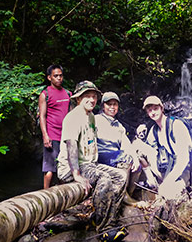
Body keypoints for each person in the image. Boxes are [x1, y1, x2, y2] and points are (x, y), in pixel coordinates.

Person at [57, 81, 128, 231]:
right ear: (78, 99)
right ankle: (105, 227)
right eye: (87, 96)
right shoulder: (72, 118)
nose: (91, 100)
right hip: (72, 167)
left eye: (94, 96)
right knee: (104, 178)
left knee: (120, 176)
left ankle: (108, 213)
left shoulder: (91, 117)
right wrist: (76, 175)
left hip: (90, 165)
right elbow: (71, 147)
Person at [143, 95, 192, 200]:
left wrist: (169, 180)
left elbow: (184, 159)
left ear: (162, 108)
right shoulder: (153, 131)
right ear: (147, 113)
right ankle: (152, 183)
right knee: (138, 146)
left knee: (167, 193)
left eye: (155, 108)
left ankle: (181, 187)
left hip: (181, 172)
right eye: (150, 110)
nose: (153, 112)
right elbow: (146, 152)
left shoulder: (177, 125)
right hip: (165, 170)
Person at [95, 91, 140, 196]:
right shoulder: (96, 120)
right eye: (109, 104)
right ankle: (123, 196)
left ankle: (127, 194)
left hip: (116, 155)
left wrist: (136, 159)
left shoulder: (119, 126)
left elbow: (127, 145)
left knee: (136, 164)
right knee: (124, 158)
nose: (112, 107)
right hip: (101, 154)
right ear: (103, 106)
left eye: (114, 104)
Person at [38, 65, 71, 189]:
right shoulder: (45, 94)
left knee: (64, 167)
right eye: (55, 76)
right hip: (52, 134)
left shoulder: (68, 93)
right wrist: (45, 136)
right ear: (49, 77)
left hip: (65, 135)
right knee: (49, 169)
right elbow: (42, 116)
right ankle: (45, 195)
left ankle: (62, 193)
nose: (59, 78)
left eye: (60, 75)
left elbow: (71, 114)